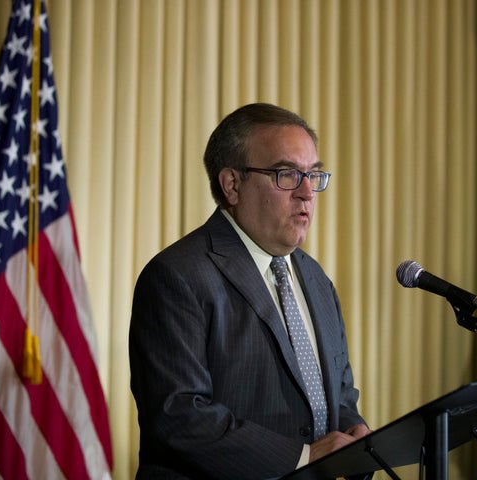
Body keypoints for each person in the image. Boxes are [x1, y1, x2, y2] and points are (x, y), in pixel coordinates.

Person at [129, 103, 372, 479]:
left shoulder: (316, 279)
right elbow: (179, 415)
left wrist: (358, 438)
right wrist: (303, 458)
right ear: (232, 184)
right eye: (287, 174)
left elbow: (339, 396)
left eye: (314, 174)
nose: (307, 193)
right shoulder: (177, 276)